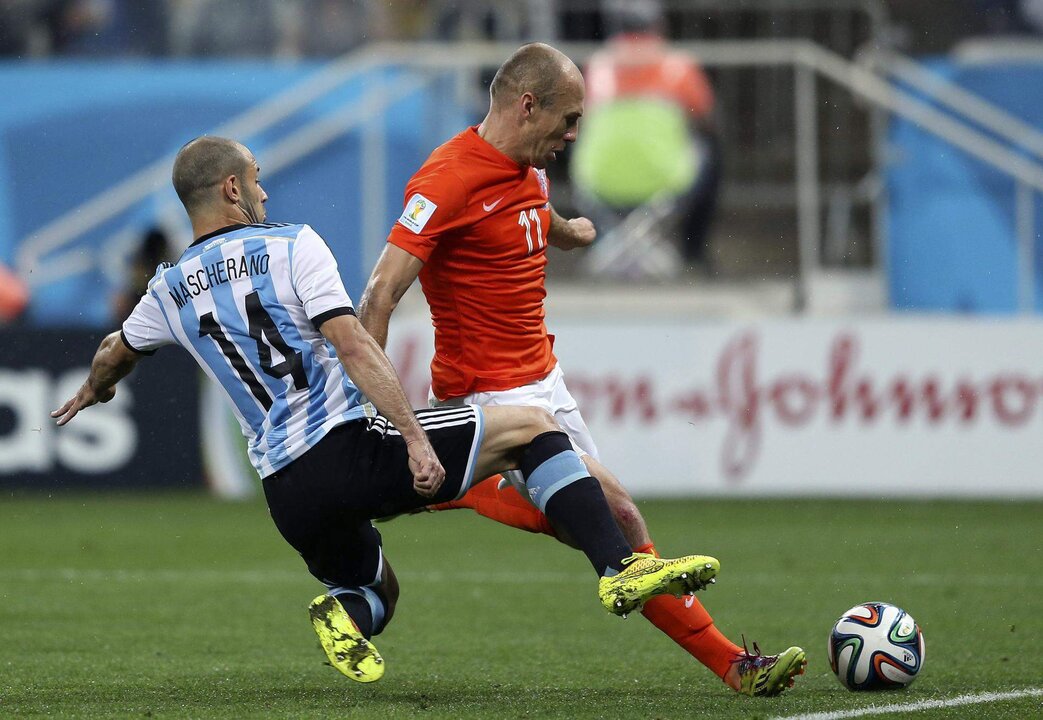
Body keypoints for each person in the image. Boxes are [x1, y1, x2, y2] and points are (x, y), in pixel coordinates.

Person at [51, 135, 720, 683]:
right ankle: (618, 568)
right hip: (352, 448)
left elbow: (116, 349)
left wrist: (94, 390)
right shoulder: (291, 245)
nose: (262, 191)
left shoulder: (168, 288)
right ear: (230, 189)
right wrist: (411, 437)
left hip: (286, 492)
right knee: (532, 427)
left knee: (375, 592)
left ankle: (341, 612)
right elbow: (353, 346)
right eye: (254, 179)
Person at [358, 43, 805, 696]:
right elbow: (378, 295)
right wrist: (377, 412)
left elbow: (524, 216)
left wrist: (568, 231)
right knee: (615, 513)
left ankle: (449, 493)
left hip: (545, 382)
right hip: (487, 397)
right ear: (526, 105)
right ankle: (734, 666)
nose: (574, 135)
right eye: (567, 120)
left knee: (615, 524)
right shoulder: (445, 178)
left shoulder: (527, 171)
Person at [571, 0, 721, 270]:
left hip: (598, 182)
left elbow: (579, 121)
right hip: (665, 181)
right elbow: (707, 118)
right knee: (709, 151)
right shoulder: (679, 66)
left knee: (580, 145)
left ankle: (596, 242)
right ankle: (694, 251)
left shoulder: (598, 66)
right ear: (658, 24)